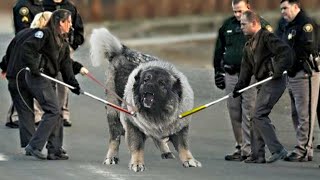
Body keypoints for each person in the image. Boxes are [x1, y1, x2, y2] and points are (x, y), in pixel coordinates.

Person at [4, 9, 81, 160]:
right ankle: (34, 145)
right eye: (69, 21)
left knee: (56, 112)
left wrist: (74, 85)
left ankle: (55, 149)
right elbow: (27, 48)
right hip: (37, 77)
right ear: (60, 22)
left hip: (49, 79)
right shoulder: (43, 34)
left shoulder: (63, 42)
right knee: (52, 110)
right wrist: (34, 67)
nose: (71, 25)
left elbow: (66, 67)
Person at [213, 0, 273, 161]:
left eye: (240, 11)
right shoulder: (227, 25)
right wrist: (217, 71)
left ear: (248, 7)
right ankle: (240, 147)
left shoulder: (258, 24)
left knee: (249, 112)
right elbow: (219, 49)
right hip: (231, 74)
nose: (237, 15)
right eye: (235, 12)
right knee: (234, 112)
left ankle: (249, 149)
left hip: (250, 75)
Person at [233, 10, 293, 163]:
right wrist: (239, 88)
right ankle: (257, 155)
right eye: (240, 24)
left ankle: (278, 149)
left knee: (259, 114)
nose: (241, 27)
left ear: (254, 23)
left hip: (274, 81)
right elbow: (245, 71)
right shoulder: (248, 45)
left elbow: (286, 52)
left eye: (244, 24)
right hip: (262, 83)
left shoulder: (267, 37)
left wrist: (278, 70)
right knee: (255, 116)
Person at [276, 0, 320, 162]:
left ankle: (303, 148)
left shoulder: (305, 24)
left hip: (304, 73)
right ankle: (304, 146)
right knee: (296, 112)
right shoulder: (286, 24)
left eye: (285, 8)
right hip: (291, 73)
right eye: (281, 9)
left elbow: (306, 49)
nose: (282, 12)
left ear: (296, 7)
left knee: (305, 113)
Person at [42, 0, 85, 127]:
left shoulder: (70, 7)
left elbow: (78, 29)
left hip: (65, 48)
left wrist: (72, 45)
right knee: (45, 80)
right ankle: (41, 114)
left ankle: (63, 114)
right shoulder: (43, 5)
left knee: (64, 81)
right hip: (47, 47)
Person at [6, 0, 45, 128]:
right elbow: (25, 29)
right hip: (26, 46)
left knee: (31, 82)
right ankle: (14, 117)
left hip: (37, 46)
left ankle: (35, 114)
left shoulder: (40, 4)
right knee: (21, 83)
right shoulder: (24, 6)